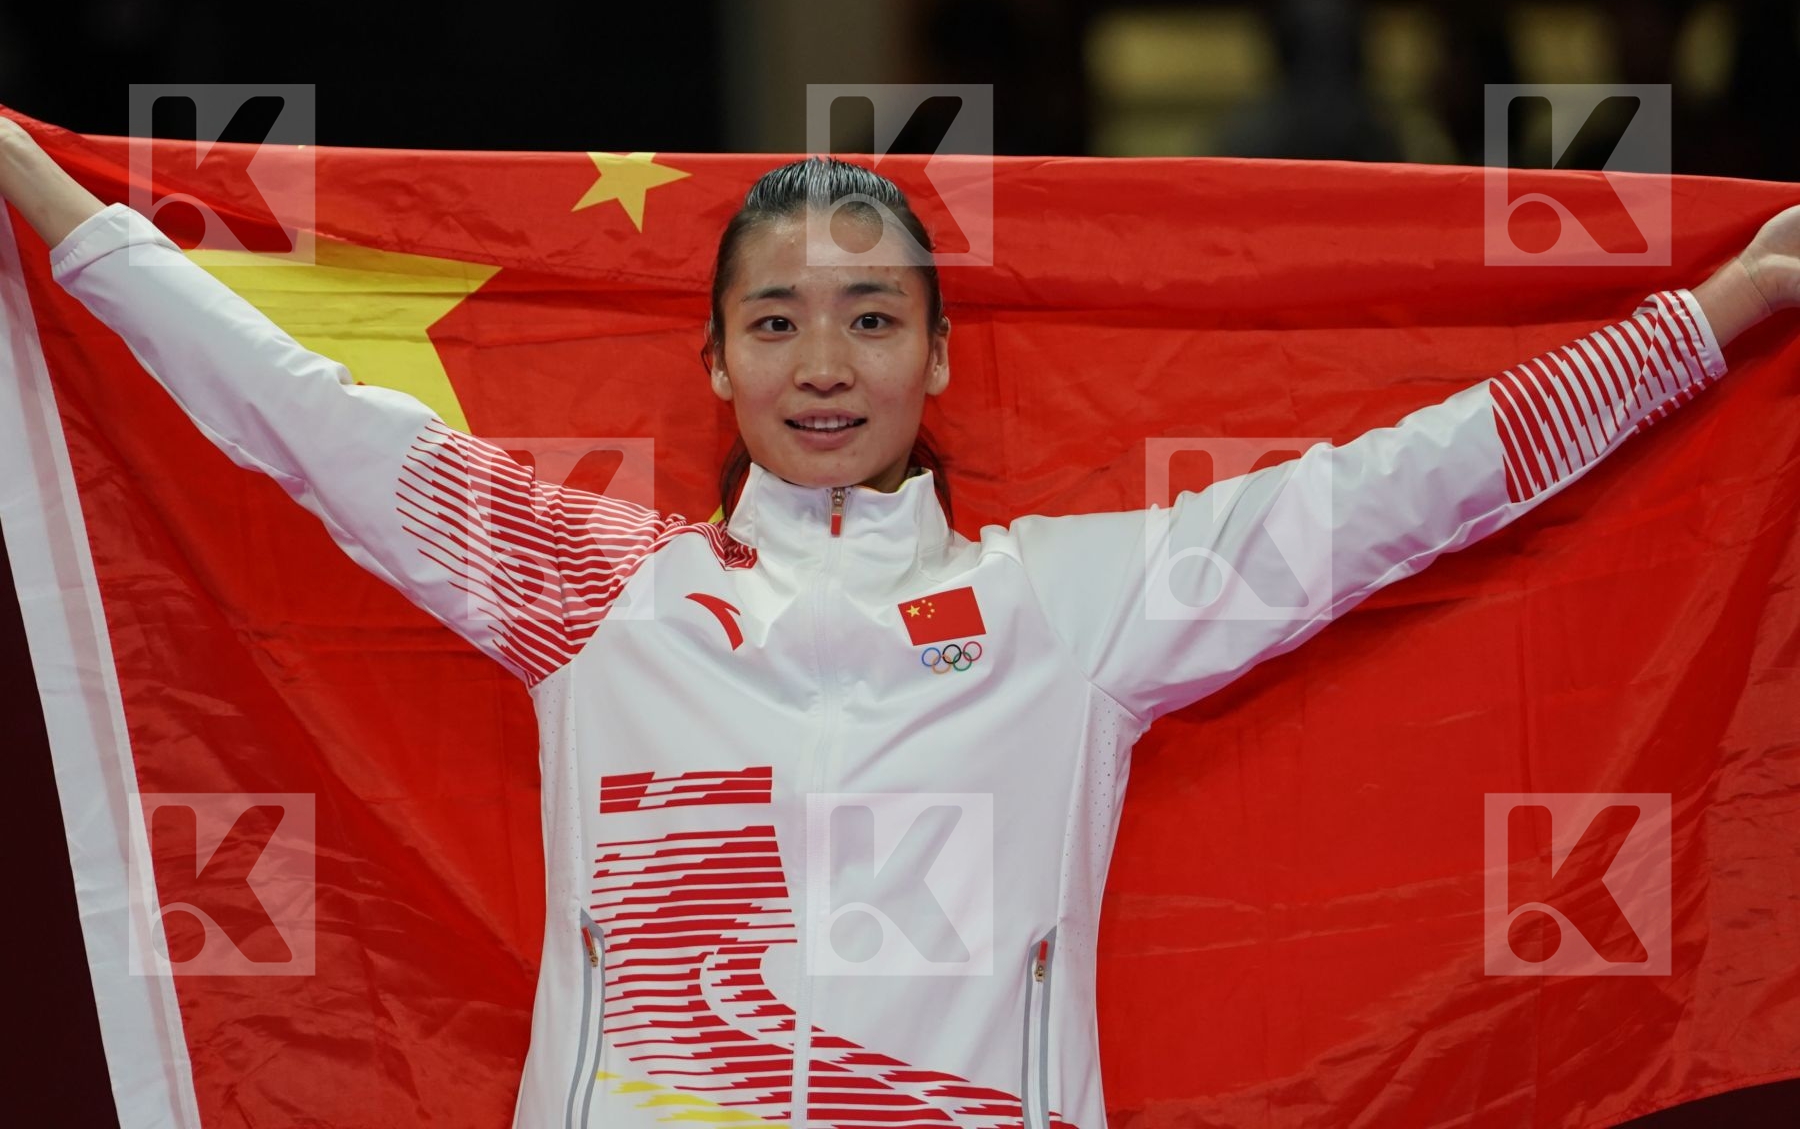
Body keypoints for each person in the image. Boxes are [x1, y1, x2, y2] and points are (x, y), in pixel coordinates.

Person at [2, 114, 1795, 1129]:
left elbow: (1407, 489)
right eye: (775, 322)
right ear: (714, 366)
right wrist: (40, 194)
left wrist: (1718, 312)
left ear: (937, 359)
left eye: (871, 317)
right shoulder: (583, 585)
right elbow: (292, 406)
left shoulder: (1072, 608)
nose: (824, 361)